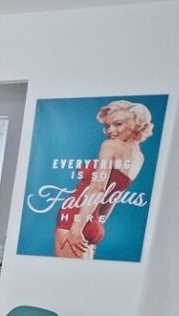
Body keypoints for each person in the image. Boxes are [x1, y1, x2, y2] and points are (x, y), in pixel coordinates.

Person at [54, 100, 154, 259]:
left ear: (135, 124)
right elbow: (113, 197)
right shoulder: (139, 157)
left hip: (74, 220)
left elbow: (98, 188)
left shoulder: (110, 146)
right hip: (94, 222)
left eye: (118, 124)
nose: (110, 131)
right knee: (84, 281)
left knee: (66, 280)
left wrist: (76, 229)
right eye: (107, 126)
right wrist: (97, 224)